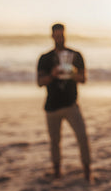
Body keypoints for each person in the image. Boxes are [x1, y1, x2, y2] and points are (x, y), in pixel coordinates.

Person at [37, 23, 92, 181]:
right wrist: (53, 75)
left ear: (65, 35)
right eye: (57, 35)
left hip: (71, 105)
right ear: (52, 36)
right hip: (52, 107)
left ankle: (87, 171)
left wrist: (71, 72)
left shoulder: (75, 56)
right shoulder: (45, 58)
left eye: (62, 35)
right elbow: (40, 82)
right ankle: (57, 171)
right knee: (55, 141)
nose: (60, 38)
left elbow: (83, 79)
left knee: (82, 137)